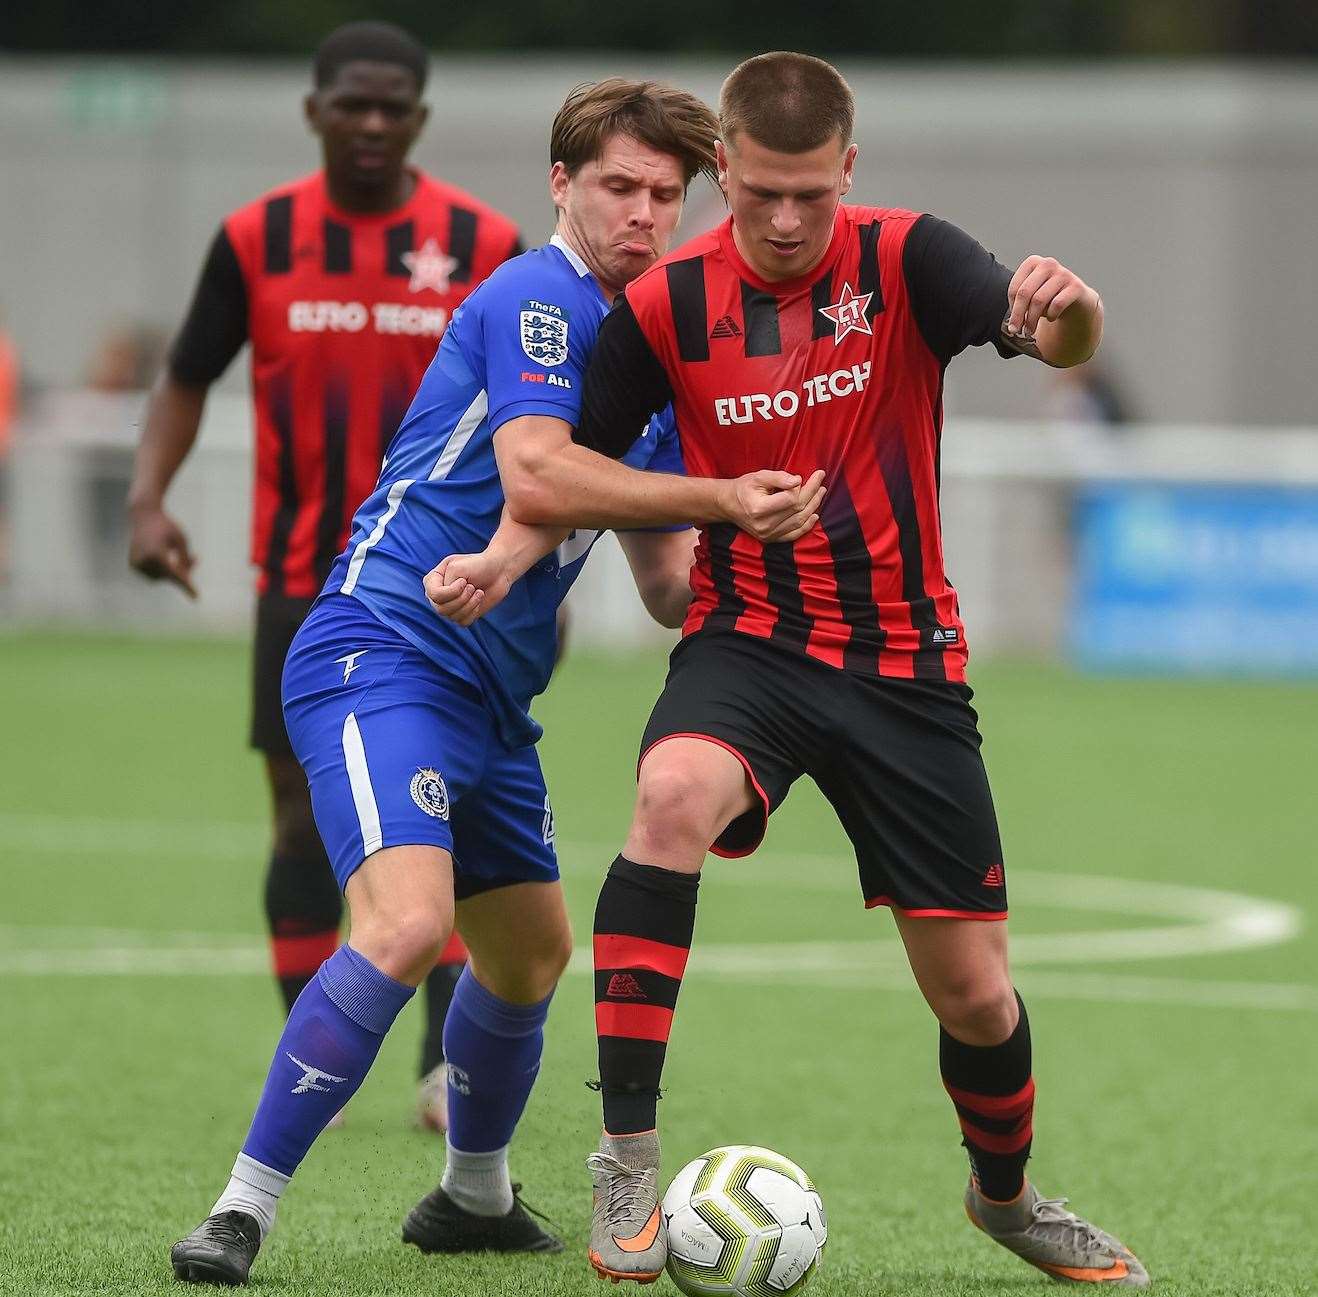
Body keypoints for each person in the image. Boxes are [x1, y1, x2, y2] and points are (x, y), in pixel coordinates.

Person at [432, 50, 1149, 1290]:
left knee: (976, 995)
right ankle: (626, 1161)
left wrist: (1069, 306)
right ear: (724, 170)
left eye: (807, 196)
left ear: (847, 174)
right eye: (756, 191)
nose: (779, 220)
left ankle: (1009, 1197)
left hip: (904, 665)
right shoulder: (661, 305)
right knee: (666, 802)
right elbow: (574, 462)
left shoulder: (910, 257)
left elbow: (1059, 341)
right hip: (747, 645)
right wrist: (502, 556)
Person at [168, 76, 822, 1287]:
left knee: (527, 955)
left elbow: (671, 587)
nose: (641, 213)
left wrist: (771, 533)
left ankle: (472, 1197)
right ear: (562, 186)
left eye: (664, 196)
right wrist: (720, 494)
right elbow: (533, 475)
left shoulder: (652, 364)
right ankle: (240, 1209)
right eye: (618, 186)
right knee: (410, 927)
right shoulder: (537, 295)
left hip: (490, 701)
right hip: (381, 649)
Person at [126, 21, 521, 1131]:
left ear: (420, 120)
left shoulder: (482, 240)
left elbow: (541, 402)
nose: (373, 123)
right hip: (301, 576)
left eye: (395, 106)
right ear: (314, 111)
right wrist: (147, 499)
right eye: (353, 103)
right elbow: (187, 374)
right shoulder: (257, 239)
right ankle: (320, 1041)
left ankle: (444, 1070)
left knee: (440, 810)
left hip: (447, 580)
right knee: (300, 822)